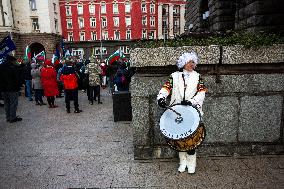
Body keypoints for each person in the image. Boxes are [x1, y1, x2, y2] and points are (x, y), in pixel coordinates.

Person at [157, 52, 207, 174]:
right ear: (183, 63)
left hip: (191, 111)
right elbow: (166, 88)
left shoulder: (198, 76)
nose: (192, 64)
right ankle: (182, 162)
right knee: (179, 138)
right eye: (190, 62)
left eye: (193, 62)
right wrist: (161, 97)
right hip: (177, 111)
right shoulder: (174, 76)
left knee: (191, 138)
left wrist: (192, 102)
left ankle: (191, 163)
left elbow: (202, 92)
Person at [0, 55, 23, 123]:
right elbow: (17, 78)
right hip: (12, 88)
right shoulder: (13, 67)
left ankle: (8, 117)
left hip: (3, 89)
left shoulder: (0, 67)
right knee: (13, 103)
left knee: (7, 103)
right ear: (12, 61)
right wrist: (19, 85)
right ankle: (12, 117)